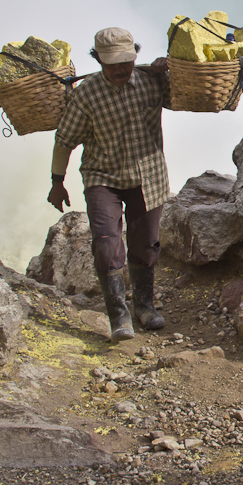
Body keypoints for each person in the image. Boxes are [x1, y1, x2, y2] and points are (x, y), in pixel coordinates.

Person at [48, 27, 169, 342]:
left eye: (125, 62)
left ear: (134, 58)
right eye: (111, 63)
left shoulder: (149, 82)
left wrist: (168, 70)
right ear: (98, 60)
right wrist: (56, 182)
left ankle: (144, 305)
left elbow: (186, 95)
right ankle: (118, 314)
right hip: (104, 177)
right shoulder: (86, 94)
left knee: (146, 245)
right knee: (106, 244)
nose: (119, 69)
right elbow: (65, 141)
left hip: (148, 175)